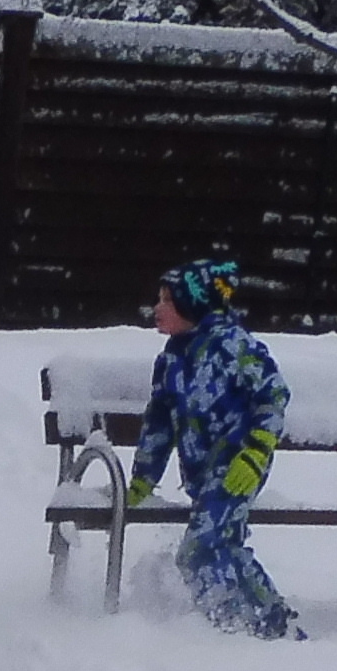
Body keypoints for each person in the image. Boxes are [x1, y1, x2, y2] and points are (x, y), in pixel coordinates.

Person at [129, 253, 301, 639]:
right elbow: (159, 422)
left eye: (168, 300)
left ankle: (228, 627)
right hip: (201, 474)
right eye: (159, 298)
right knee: (225, 545)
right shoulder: (171, 360)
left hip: (237, 464)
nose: (157, 308)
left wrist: (256, 451)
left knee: (198, 549)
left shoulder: (233, 347)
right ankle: (273, 622)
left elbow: (273, 395)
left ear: (194, 304)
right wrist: (144, 477)